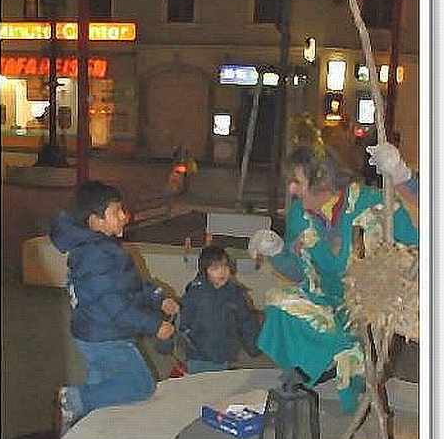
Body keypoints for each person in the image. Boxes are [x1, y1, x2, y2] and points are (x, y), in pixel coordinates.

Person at [250, 143, 418, 414]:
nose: (291, 190)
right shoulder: (299, 214)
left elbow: (421, 237)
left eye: (297, 182)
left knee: (355, 353)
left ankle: (347, 366)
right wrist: (276, 251)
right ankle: (315, 368)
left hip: (367, 309)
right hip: (326, 302)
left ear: (322, 179)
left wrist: (403, 177)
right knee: (278, 302)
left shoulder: (373, 204)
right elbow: (297, 271)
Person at [49, 180, 179, 436]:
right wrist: (155, 325)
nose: (124, 216)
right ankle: (73, 400)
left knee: (104, 385)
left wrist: (158, 298)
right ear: (95, 221)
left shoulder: (100, 250)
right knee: (140, 385)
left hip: (93, 332)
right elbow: (116, 306)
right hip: (106, 336)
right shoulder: (97, 256)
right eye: (116, 211)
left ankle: (90, 427)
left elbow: (130, 285)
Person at [179, 245, 260, 373]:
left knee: (220, 380)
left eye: (225, 266)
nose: (222, 272)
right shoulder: (195, 294)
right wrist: (191, 343)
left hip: (224, 353)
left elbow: (245, 320)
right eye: (215, 268)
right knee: (203, 383)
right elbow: (183, 324)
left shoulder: (234, 293)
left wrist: (253, 346)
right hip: (199, 357)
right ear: (205, 271)